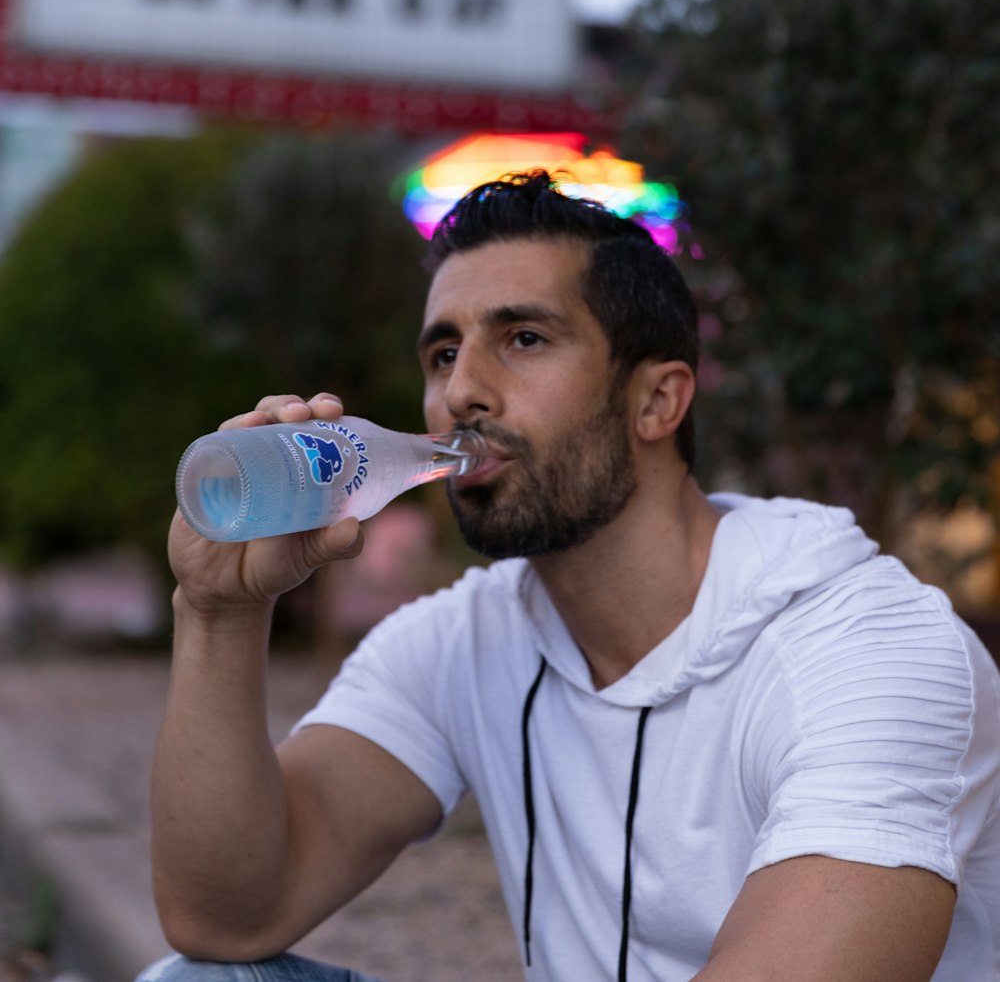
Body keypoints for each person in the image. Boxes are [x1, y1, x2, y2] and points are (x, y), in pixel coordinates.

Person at [138, 171, 1000, 982]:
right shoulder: (465, 639)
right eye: (443, 353)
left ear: (658, 401)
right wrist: (217, 612)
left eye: (523, 338)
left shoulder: (871, 656)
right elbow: (226, 918)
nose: (461, 392)